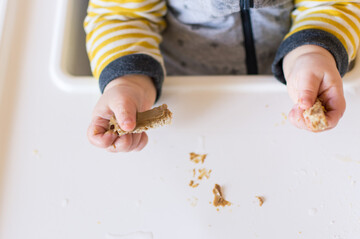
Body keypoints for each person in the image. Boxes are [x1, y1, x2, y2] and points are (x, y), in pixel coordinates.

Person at [84, 0, 360, 152]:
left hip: (288, 86)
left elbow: (332, 4)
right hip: (187, 97)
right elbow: (122, 16)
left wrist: (311, 53)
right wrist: (129, 80)